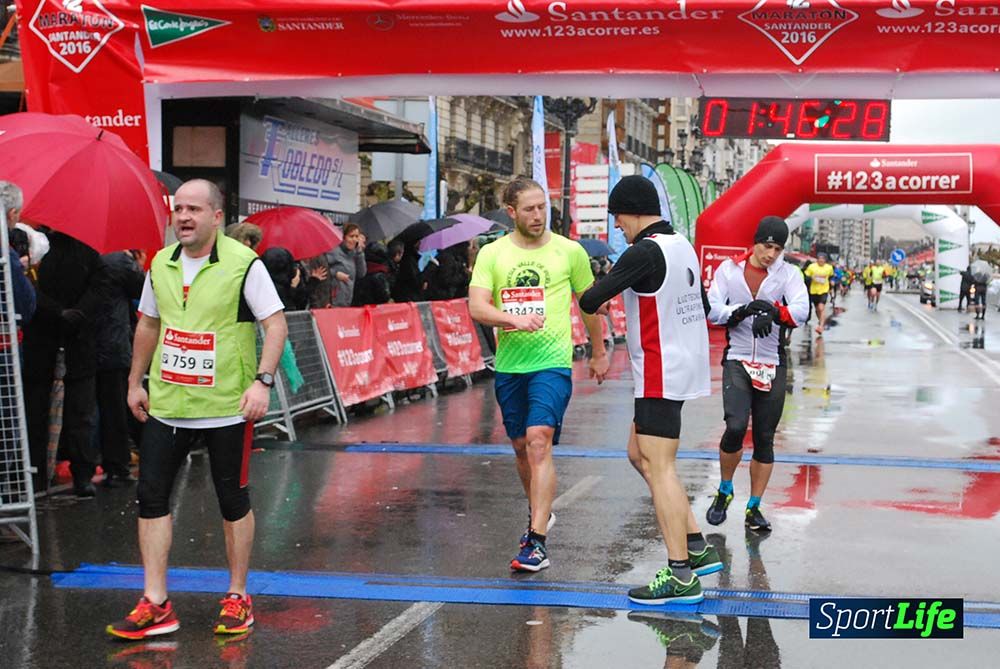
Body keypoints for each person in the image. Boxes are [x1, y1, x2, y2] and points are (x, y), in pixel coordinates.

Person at [107, 179, 287, 640]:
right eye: (178, 209)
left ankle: (237, 595)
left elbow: (275, 324)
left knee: (232, 502)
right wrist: (135, 381)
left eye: (193, 209)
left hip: (228, 404)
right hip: (169, 402)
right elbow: (148, 323)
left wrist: (262, 382)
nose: (183, 217)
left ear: (216, 216)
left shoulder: (244, 264)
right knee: (151, 499)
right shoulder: (161, 264)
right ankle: (155, 602)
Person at [579, 175, 720, 605]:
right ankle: (696, 545)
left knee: (661, 469)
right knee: (637, 454)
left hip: (661, 368)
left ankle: (681, 576)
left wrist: (601, 298)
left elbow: (589, 299)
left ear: (634, 211)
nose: (617, 225)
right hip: (679, 363)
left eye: (618, 216)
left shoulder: (645, 250)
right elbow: (705, 306)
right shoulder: (681, 245)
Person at [469, 175, 609, 573]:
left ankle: (536, 541)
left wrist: (598, 351)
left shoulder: (569, 252)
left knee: (538, 440)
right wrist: (510, 318)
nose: (537, 215)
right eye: (529, 209)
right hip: (511, 364)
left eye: (542, 207)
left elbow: (589, 303)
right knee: (519, 446)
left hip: (552, 361)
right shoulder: (492, 254)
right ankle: (539, 513)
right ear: (511, 213)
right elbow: (477, 307)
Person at [706, 216, 809, 533]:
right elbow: (711, 308)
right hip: (737, 358)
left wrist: (773, 311)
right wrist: (738, 312)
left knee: (764, 438)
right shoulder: (729, 269)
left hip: (772, 362)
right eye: (767, 246)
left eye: (778, 248)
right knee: (735, 427)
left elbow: (801, 311)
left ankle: (754, 508)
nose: (771, 254)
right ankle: (724, 490)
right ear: (755, 242)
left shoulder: (788, 274)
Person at [24, 228, 108, 497]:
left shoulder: (40, 249)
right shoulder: (89, 253)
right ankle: (78, 474)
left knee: (47, 411)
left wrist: (62, 313)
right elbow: (100, 289)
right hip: (74, 339)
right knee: (78, 414)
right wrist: (75, 314)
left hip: (54, 339)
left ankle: (42, 474)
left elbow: (31, 293)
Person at [95, 249, 146, 487]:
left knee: (104, 407)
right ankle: (119, 464)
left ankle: (109, 462)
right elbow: (143, 290)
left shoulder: (89, 256)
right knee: (119, 406)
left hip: (90, 342)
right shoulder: (119, 260)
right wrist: (138, 264)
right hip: (115, 342)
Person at [0, 182, 35, 505]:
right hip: (4, 354)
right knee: (6, 430)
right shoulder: (6, 256)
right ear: (12, 215)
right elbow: (25, 306)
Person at [327, 223, 366, 307]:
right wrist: (335, 274)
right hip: (332, 303)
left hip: (347, 301)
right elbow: (321, 269)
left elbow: (362, 273)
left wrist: (359, 252)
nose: (354, 240)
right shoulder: (333, 251)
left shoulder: (355, 253)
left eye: (357, 236)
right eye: (351, 236)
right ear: (343, 237)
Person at [804, 253, 834, 336]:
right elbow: (806, 276)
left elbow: (831, 277)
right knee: (817, 310)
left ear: (825, 260)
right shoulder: (812, 267)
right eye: (819, 259)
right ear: (817, 259)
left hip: (824, 290)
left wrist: (831, 284)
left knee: (821, 308)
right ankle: (821, 321)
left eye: (823, 259)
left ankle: (821, 326)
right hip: (813, 291)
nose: (821, 260)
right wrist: (812, 278)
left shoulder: (829, 268)